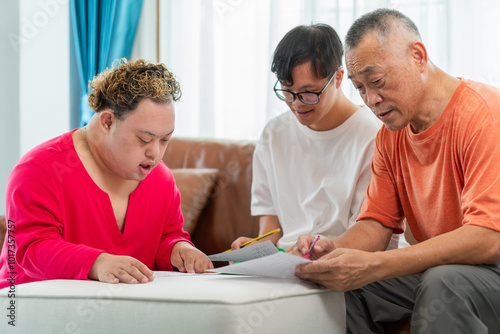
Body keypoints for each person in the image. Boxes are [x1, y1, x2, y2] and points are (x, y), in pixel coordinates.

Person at [290, 8, 500, 333]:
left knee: (444, 282)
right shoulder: (390, 137)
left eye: (377, 81)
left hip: (489, 267)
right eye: (359, 88)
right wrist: (335, 250)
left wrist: (376, 265)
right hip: (443, 268)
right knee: (343, 288)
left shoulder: (483, 115)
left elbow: (488, 238)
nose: (371, 100)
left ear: (417, 57)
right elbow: (376, 223)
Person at [0, 59, 213, 289]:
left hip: (119, 312)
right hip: (27, 309)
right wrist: (97, 263)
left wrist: (179, 249)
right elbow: (30, 249)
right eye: (144, 139)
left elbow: (166, 237)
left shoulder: (161, 179)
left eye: (165, 140)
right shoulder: (39, 169)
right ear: (108, 121)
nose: (155, 153)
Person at [232, 24, 405, 252]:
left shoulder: (373, 136)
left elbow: (369, 235)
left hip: (348, 261)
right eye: (287, 90)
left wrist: (315, 252)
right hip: (288, 262)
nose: (297, 103)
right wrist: (255, 248)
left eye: (308, 92)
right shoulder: (274, 134)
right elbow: (271, 227)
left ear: (338, 78)